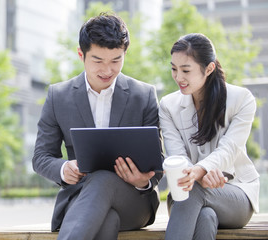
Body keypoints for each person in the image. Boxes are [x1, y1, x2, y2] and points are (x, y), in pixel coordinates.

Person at [32, 13, 163, 240]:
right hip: (81, 201)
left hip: (134, 202)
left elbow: (158, 161)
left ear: (124, 54)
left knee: (103, 179)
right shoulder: (58, 96)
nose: (107, 70)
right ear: (81, 55)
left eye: (116, 60)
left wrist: (144, 181)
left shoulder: (144, 95)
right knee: (106, 222)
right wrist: (65, 169)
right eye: (98, 61)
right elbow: (41, 157)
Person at [159, 33, 260, 240]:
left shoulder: (241, 100)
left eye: (186, 70)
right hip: (185, 195)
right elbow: (176, 156)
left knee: (193, 188)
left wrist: (200, 170)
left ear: (209, 68)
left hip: (235, 194)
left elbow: (229, 149)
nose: (178, 77)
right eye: (174, 69)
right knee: (205, 217)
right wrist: (195, 175)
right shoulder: (168, 106)